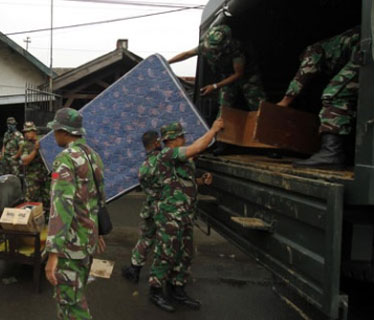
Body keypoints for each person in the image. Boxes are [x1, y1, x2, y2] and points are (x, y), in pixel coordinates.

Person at [148, 119, 223, 313]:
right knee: (166, 252)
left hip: (186, 214)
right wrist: (213, 129)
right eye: (181, 136)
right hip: (170, 214)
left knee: (185, 253)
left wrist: (200, 180)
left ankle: (177, 289)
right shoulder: (167, 154)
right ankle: (156, 290)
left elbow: (185, 182)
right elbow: (198, 147)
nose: (184, 138)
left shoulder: (181, 160)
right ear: (171, 139)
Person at [44, 108, 106, 320]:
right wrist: (97, 233)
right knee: (75, 294)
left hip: (70, 247)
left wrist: (53, 253)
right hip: (87, 240)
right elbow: (97, 199)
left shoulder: (65, 159)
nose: (54, 136)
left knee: (72, 305)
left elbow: (61, 207)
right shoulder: (93, 156)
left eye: (55, 131)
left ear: (63, 131)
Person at [169, 25, 264, 155]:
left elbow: (238, 74)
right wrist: (168, 62)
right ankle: (221, 144)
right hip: (226, 78)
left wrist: (214, 86)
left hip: (247, 77)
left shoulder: (236, 49)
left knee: (258, 108)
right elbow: (186, 54)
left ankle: (268, 145)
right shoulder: (206, 47)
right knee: (224, 109)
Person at [276, 26, 360, 168]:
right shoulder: (334, 48)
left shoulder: (313, 50)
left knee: (333, 95)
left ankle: (331, 154)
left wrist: (284, 102)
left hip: (369, 49)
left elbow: (302, 76)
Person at [121, 130, 162, 284]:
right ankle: (158, 279)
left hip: (150, 207)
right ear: (157, 142)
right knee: (164, 243)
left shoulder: (144, 167)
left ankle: (135, 269)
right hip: (165, 209)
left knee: (146, 238)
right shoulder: (165, 160)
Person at [20, 121, 50, 210]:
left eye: (29, 132)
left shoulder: (43, 140)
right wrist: (35, 150)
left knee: (48, 200)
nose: (26, 134)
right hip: (33, 178)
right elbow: (25, 161)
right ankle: (30, 221)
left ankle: (47, 221)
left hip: (46, 176)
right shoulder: (25, 145)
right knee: (31, 202)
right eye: (25, 132)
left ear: (34, 131)